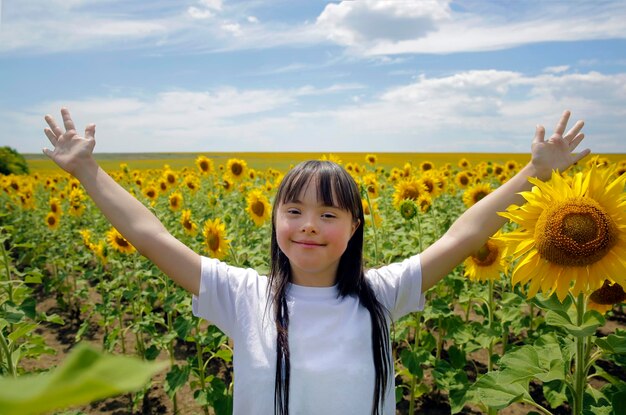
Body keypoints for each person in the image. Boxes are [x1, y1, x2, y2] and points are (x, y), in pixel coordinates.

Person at [43, 108, 589, 415]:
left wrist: (534, 175)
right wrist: (89, 173)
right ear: (275, 219)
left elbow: (463, 235)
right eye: (295, 209)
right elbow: (151, 236)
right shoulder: (244, 295)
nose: (309, 224)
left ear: (354, 229)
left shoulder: (382, 293)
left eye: (330, 214)